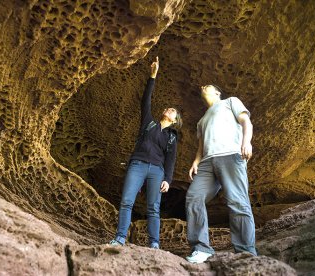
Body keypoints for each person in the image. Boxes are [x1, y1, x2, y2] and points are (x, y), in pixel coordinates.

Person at [109, 57, 183, 249]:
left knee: (153, 208)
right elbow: (146, 100)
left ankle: (154, 244)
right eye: (168, 108)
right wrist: (153, 76)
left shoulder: (172, 136)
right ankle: (119, 238)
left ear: (175, 121)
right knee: (127, 201)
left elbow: (171, 159)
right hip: (138, 164)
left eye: (173, 110)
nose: (169, 110)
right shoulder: (149, 122)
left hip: (157, 171)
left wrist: (168, 178)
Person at [185, 84, 257, 263]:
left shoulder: (230, 102)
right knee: (193, 196)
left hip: (230, 155)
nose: (202, 86)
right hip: (207, 162)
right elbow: (201, 146)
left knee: (237, 201)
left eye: (207, 86)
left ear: (217, 92)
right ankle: (201, 248)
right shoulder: (201, 121)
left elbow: (246, 121)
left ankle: (245, 252)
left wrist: (247, 142)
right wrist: (195, 161)